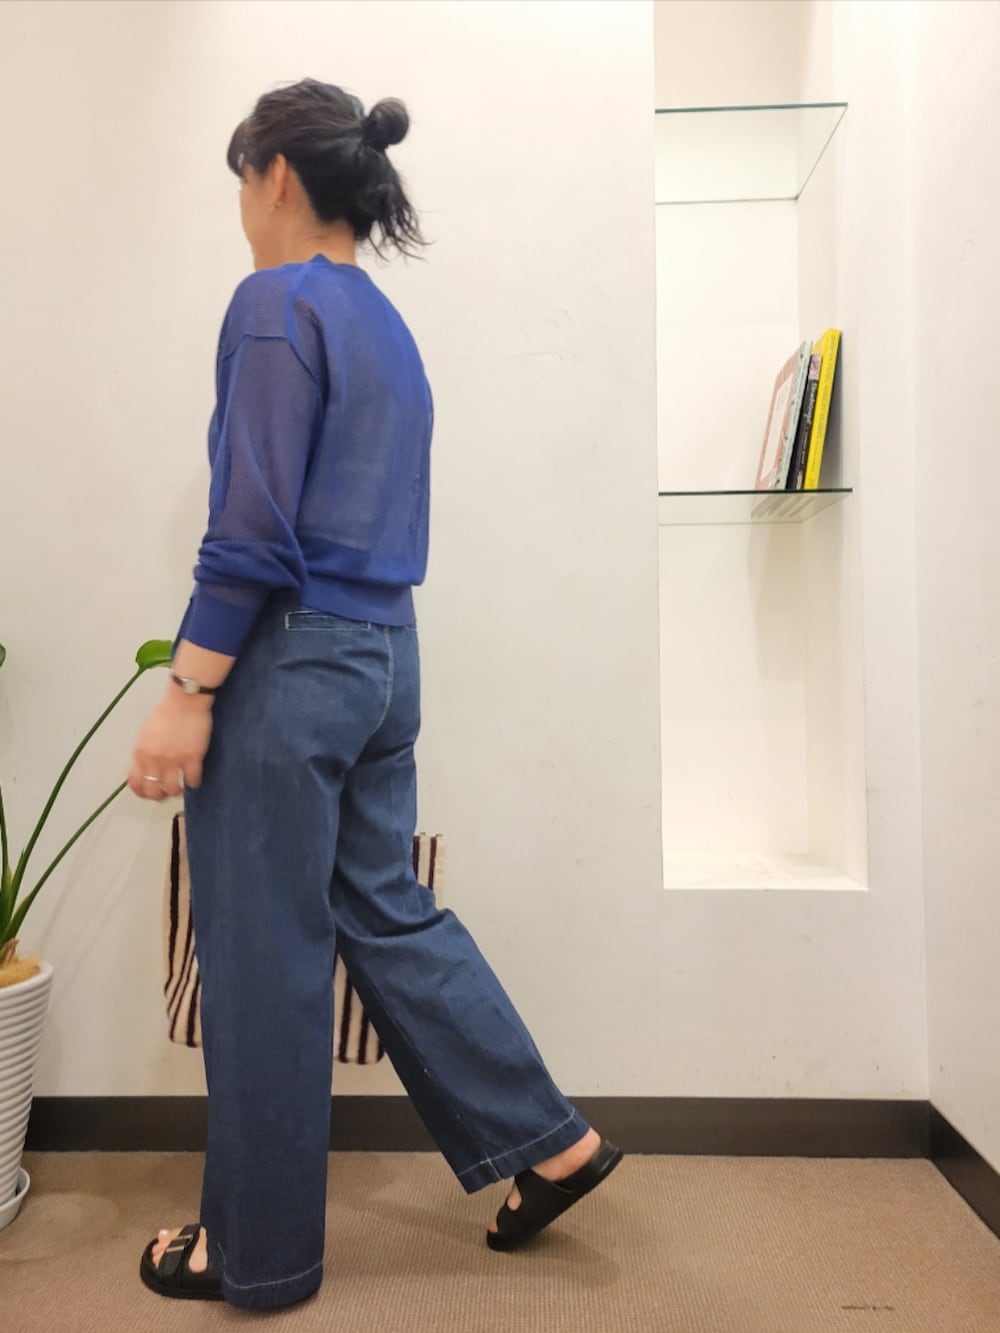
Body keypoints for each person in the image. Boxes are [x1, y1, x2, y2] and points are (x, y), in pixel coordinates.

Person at [128, 78, 622, 1311]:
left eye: (242, 181)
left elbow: (250, 531)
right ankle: (550, 1140)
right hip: (386, 657)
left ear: (275, 175)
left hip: (291, 666)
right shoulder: (385, 326)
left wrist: (188, 686)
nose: (242, 207)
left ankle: (255, 1254)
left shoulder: (272, 304)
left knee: (264, 954)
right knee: (384, 909)